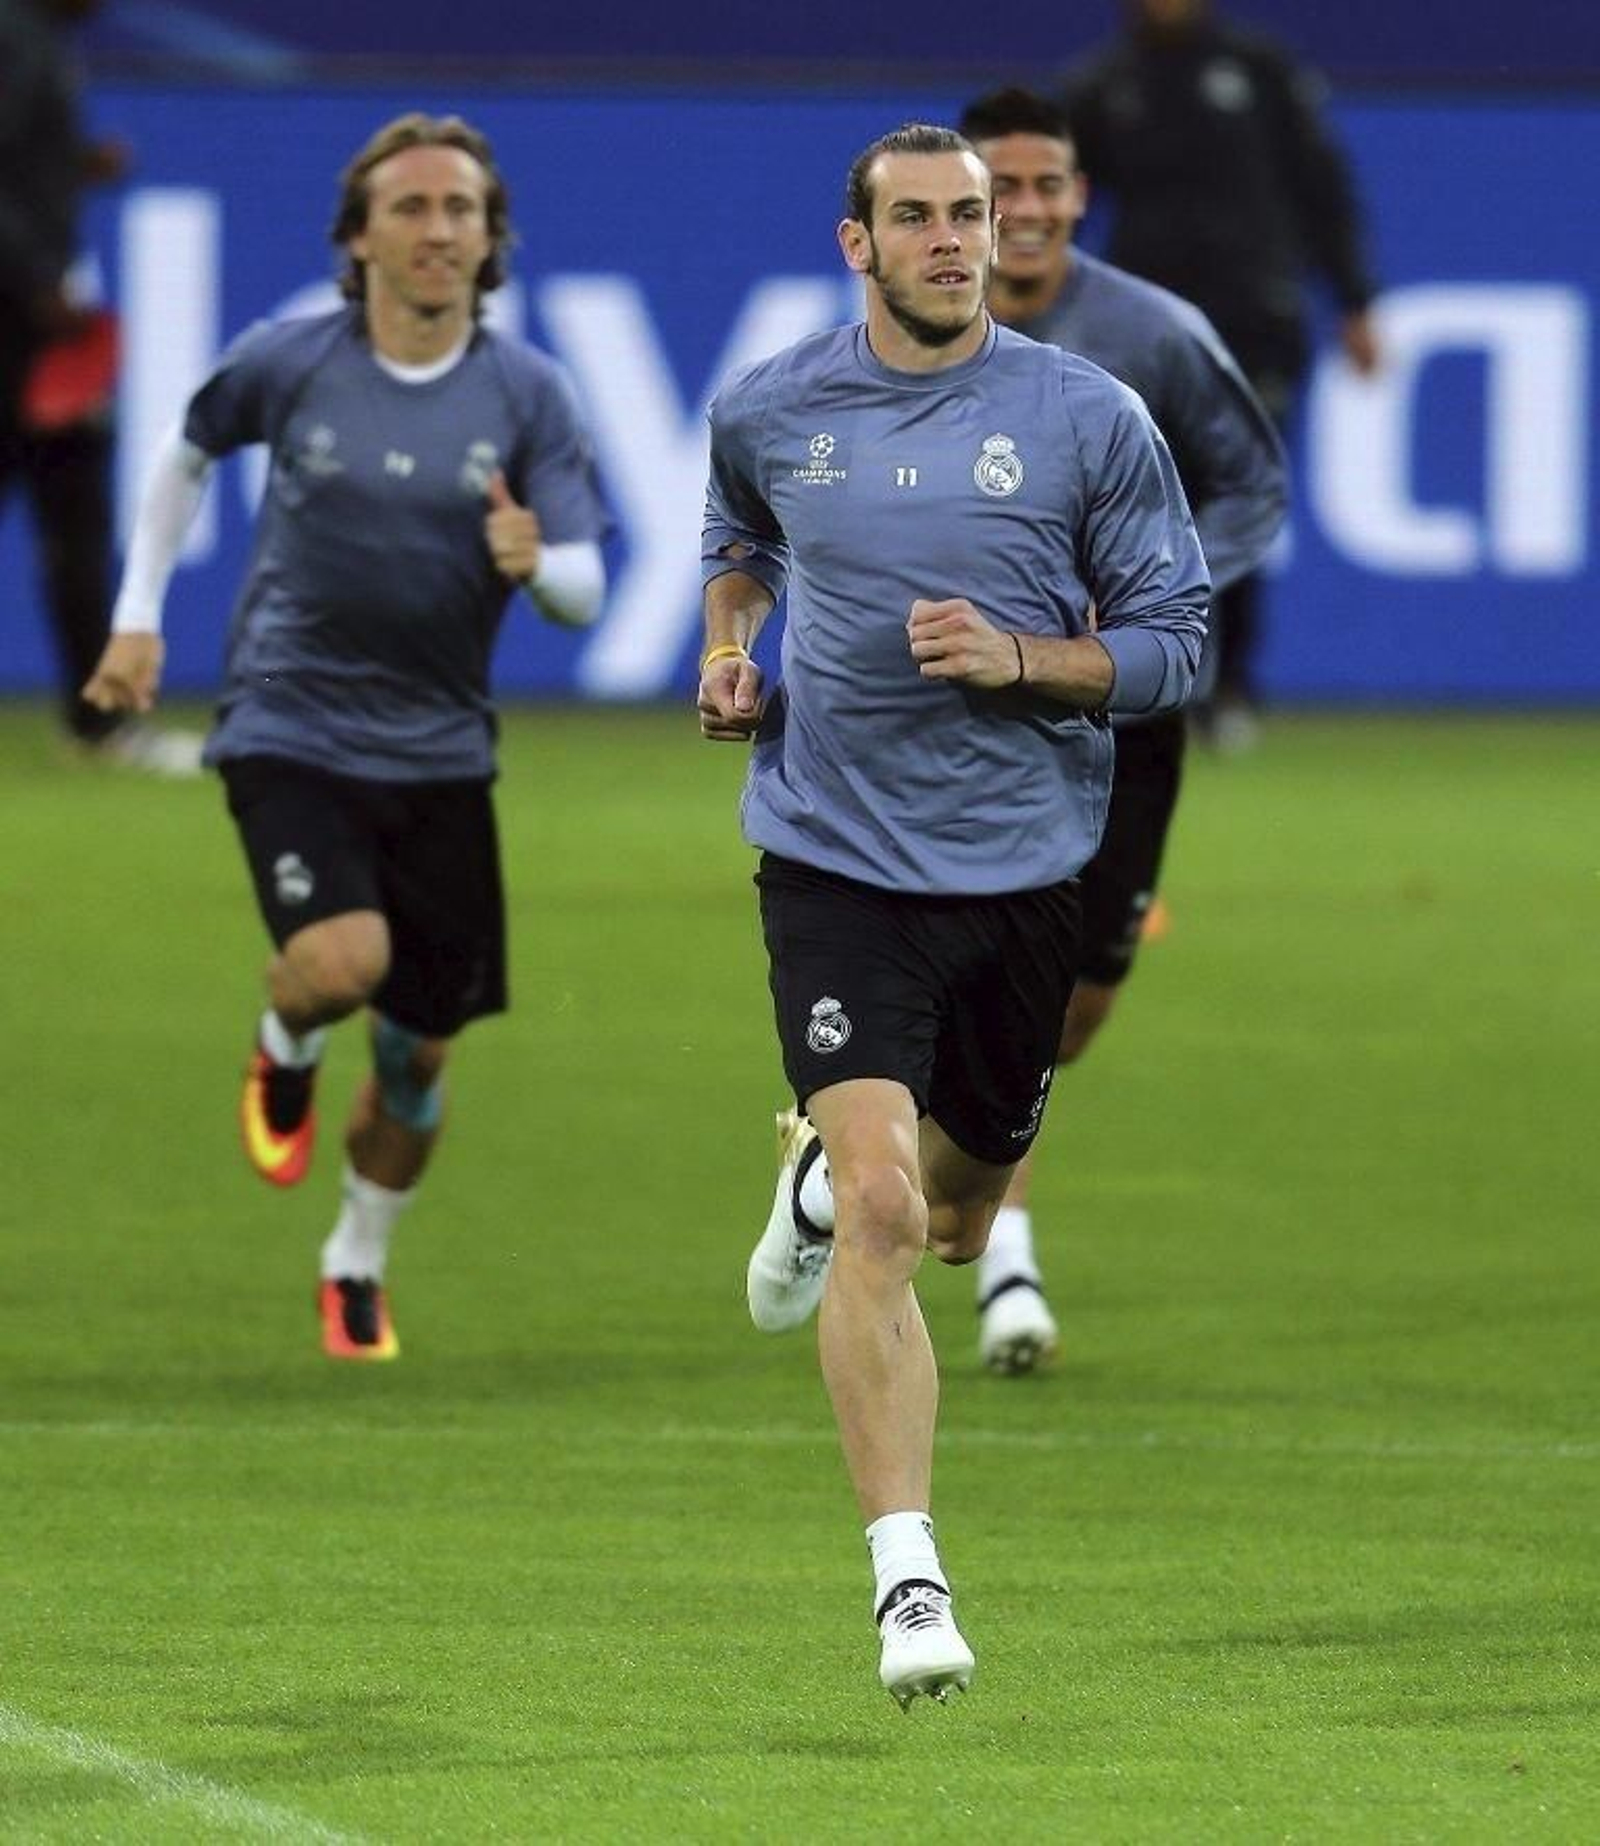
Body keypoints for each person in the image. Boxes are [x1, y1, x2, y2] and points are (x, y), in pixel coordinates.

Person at [697, 123, 1207, 1705]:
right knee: (894, 1208)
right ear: (855, 242)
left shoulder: (1090, 418)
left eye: (969, 217)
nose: (949, 240)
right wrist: (731, 647)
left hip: (1022, 873)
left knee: (964, 1210)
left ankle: (811, 1200)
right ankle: (907, 1579)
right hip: (835, 858)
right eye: (913, 218)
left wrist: (1025, 659)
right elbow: (741, 545)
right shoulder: (773, 407)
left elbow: (1178, 642)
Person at [83, 113, 608, 1359]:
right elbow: (186, 451)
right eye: (412, 208)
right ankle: (284, 1040)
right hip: (290, 717)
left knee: (421, 1060)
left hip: (440, 751)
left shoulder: (527, 391)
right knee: (339, 961)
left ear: (491, 241)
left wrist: (540, 566)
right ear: (358, 235)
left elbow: (584, 579)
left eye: (461, 212)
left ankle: (354, 1258)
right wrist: (138, 618)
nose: (438, 231)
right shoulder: (295, 359)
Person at [955, 86, 1287, 1374]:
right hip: (962, 712)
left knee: (1076, 999)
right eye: (1001, 189)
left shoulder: (1150, 334)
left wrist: (1162, 586)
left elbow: (1253, 483)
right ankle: (1000, 1250)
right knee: (975, 968)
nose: (1026, 211)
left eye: (1047, 186)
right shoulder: (904, 341)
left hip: (1123, 707)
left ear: (1079, 196)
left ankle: (882, 1166)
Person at [1063, 0, 1381, 746]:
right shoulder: (1100, 87)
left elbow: (1322, 186)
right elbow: (1057, 208)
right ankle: (1156, 672)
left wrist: (1357, 300)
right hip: (1143, 336)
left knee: (1237, 498)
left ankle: (1230, 680)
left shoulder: (1261, 71)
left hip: (1253, 321)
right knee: (1140, 508)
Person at [0, 0, 200, 771]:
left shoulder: (33, 39)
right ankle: (101, 725)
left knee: (75, 514)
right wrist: (35, 281)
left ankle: (102, 720)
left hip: (31, 319)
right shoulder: (15, 38)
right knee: (76, 520)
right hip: (21, 326)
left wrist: (76, 164)